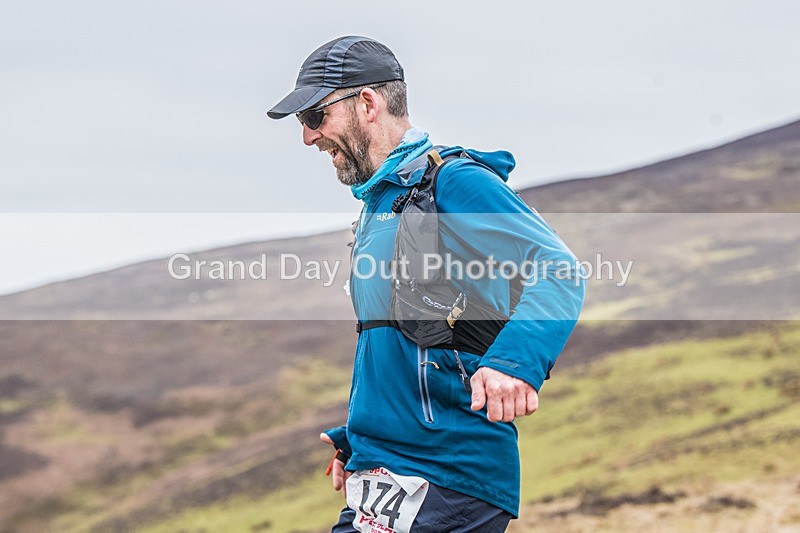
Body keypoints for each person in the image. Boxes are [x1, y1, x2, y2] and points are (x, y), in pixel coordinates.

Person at [268, 36, 585, 533]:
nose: (308, 137)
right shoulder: (380, 204)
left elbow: (558, 269)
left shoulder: (453, 183)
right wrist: (363, 431)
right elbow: (410, 341)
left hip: (446, 470)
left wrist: (514, 363)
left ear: (367, 103)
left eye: (314, 116)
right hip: (388, 465)